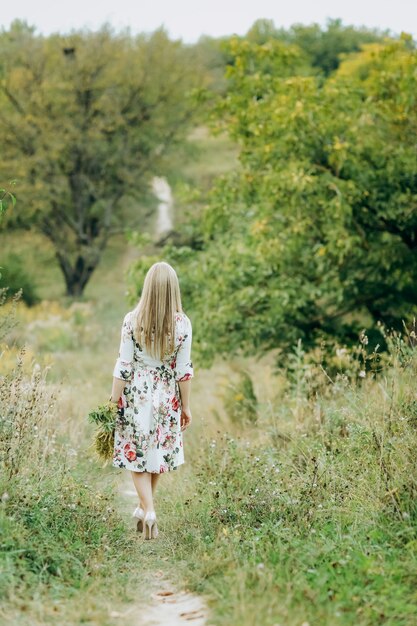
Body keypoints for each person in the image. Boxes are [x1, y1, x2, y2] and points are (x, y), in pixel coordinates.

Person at [110, 261, 193, 540]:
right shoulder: (183, 324)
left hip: (136, 393)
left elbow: (124, 365)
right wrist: (186, 406)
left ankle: (148, 510)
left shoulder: (132, 320)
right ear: (173, 289)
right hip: (166, 395)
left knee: (137, 456)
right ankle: (146, 509)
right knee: (157, 453)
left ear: (147, 287)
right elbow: (184, 371)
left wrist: (114, 399)